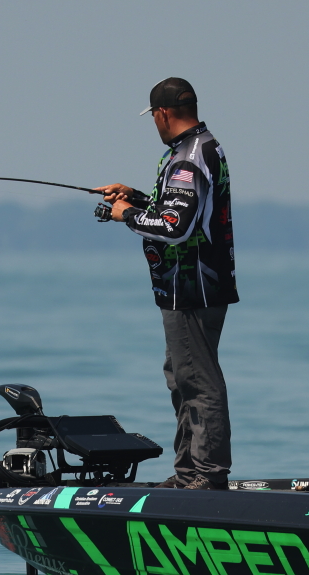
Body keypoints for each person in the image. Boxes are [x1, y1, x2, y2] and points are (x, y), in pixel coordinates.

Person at [96, 77, 238, 491]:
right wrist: (137, 198)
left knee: (197, 381)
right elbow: (181, 210)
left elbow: (175, 228)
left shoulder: (187, 159)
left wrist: (126, 215)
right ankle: (190, 472)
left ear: (162, 114)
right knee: (181, 375)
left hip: (192, 288)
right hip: (192, 287)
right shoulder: (199, 147)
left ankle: (206, 475)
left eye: (154, 117)